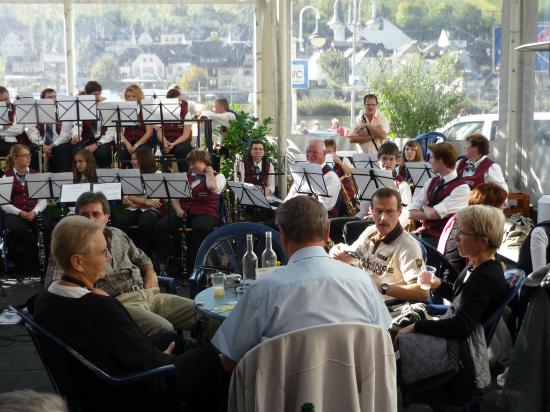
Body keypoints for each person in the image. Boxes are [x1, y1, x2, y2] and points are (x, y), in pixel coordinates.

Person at [35, 215, 221, 411]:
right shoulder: (99, 307)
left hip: (91, 378)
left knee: (171, 338)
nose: (109, 257)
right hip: (126, 390)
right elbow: (146, 360)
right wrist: (164, 359)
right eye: (103, 252)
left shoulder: (44, 299)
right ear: (77, 262)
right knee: (209, 358)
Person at [211, 196, 392, 371]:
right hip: (353, 394)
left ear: (281, 234)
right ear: (328, 231)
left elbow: (230, 361)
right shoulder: (363, 282)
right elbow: (382, 337)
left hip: (285, 398)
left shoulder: (263, 290)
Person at [45, 191, 200, 336]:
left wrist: (150, 272)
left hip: (148, 294)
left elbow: (142, 258)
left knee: (204, 313)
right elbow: (54, 286)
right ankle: (174, 359)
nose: (90, 220)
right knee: (163, 329)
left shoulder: (117, 234)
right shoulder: (71, 246)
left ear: (107, 216)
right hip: (120, 304)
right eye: (85, 215)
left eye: (96, 214)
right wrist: (90, 292)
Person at [396, 205, 506, 407]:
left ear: (482, 241)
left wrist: (417, 327)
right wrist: (438, 284)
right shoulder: (477, 267)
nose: (456, 238)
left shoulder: (485, 278)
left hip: (459, 359)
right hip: (457, 342)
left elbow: (461, 326)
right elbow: (463, 297)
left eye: (461, 233)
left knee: (397, 334)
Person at [330, 187, 427, 302]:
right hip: (359, 298)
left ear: (399, 212)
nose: (383, 218)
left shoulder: (408, 245)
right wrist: (336, 251)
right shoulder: (371, 230)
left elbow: (422, 292)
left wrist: (381, 287)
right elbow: (351, 258)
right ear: (371, 210)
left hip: (385, 308)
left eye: (389, 211)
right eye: (379, 211)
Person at [154, 149, 226, 278]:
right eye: (190, 164)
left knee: (200, 228)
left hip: (206, 213)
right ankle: (171, 264)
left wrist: (209, 172)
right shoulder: (185, 176)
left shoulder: (218, 176)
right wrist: (178, 210)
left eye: (195, 163)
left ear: (205, 162)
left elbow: (212, 187)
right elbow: (175, 197)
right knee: (160, 227)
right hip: (186, 212)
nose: (192, 167)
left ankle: (194, 266)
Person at [329, 141, 412, 244]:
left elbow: (405, 215)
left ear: (397, 161)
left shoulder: (402, 185)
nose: (387, 162)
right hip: (368, 219)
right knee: (332, 224)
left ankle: (352, 256)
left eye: (391, 159)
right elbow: (365, 207)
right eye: (384, 159)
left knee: (350, 227)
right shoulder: (371, 180)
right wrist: (358, 218)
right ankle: (339, 254)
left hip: (386, 223)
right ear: (378, 160)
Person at [1, 144, 52, 277]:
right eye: (25, 156)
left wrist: (34, 211)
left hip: (34, 211)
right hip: (14, 213)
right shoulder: (6, 177)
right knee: (17, 228)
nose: (29, 158)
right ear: (15, 158)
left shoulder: (36, 174)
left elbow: (43, 200)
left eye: (29, 156)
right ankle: (28, 262)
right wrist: (19, 212)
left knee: (46, 227)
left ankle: (46, 265)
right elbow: (4, 203)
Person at [438, 182, 508, 277]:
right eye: (503, 204)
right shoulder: (477, 227)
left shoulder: (461, 218)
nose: (504, 208)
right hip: (457, 277)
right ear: (491, 209)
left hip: (447, 273)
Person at [409, 142, 470, 246]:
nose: (429, 161)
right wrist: (427, 211)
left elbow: (433, 214)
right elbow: (411, 213)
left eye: (432, 157)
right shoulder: (431, 181)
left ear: (441, 161)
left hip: (443, 240)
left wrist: (423, 207)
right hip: (424, 234)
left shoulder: (462, 188)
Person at [112, 146, 162, 258]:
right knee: (120, 221)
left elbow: (154, 202)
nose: (132, 162)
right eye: (132, 159)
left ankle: (146, 257)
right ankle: (123, 256)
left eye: (135, 159)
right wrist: (144, 201)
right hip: (134, 208)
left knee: (146, 222)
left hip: (150, 211)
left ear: (143, 160)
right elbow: (127, 197)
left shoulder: (157, 174)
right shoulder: (130, 173)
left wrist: (136, 202)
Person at [285, 139, 341, 212]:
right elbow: (290, 196)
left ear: (324, 153)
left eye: (315, 152)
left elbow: (323, 207)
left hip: (318, 220)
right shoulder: (302, 171)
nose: (310, 155)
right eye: (308, 152)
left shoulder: (330, 176)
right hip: (298, 214)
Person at [72, 81, 114, 168]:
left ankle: (103, 176)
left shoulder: (107, 108)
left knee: (102, 152)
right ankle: (84, 176)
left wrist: (97, 144)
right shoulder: (81, 109)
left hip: (101, 141)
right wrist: (76, 135)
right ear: (87, 96)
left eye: (99, 94)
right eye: (95, 94)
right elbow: (77, 125)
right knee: (77, 151)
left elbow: (110, 133)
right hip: (86, 140)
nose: (98, 97)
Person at [0, 86, 41, 169]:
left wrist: (3, 127)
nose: (5, 102)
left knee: (34, 149)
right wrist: (10, 127)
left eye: (7, 99)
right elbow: (17, 128)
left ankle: (32, 176)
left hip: (19, 143)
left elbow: (19, 129)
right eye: (1, 101)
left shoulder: (18, 108)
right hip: (2, 144)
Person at [157, 88, 193, 172]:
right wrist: (165, 142)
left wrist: (173, 144)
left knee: (183, 150)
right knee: (156, 151)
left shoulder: (186, 112)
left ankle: (185, 176)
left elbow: (186, 134)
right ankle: (164, 176)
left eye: (177, 101)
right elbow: (159, 132)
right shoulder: (160, 112)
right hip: (164, 141)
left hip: (180, 142)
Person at [37, 88, 73, 172]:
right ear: (42, 100)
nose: (53, 99)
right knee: (34, 150)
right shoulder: (36, 114)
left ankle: (63, 178)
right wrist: (43, 145)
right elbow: (33, 133)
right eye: (49, 97)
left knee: (61, 150)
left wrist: (52, 146)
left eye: (54, 97)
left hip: (58, 143)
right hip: (42, 143)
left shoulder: (63, 113)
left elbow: (65, 135)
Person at [118, 84, 154, 168]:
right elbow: (119, 132)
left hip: (142, 142)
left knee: (142, 153)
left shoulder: (146, 109)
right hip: (127, 142)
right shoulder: (121, 109)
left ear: (139, 96)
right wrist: (127, 144)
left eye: (134, 96)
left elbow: (149, 133)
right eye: (128, 96)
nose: (131, 99)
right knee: (123, 153)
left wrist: (135, 146)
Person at [324, 138, 355, 218]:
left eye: (329, 152)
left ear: (334, 152)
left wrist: (340, 163)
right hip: (329, 198)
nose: (327, 155)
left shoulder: (344, 160)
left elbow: (351, 174)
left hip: (345, 198)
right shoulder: (322, 163)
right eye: (325, 152)